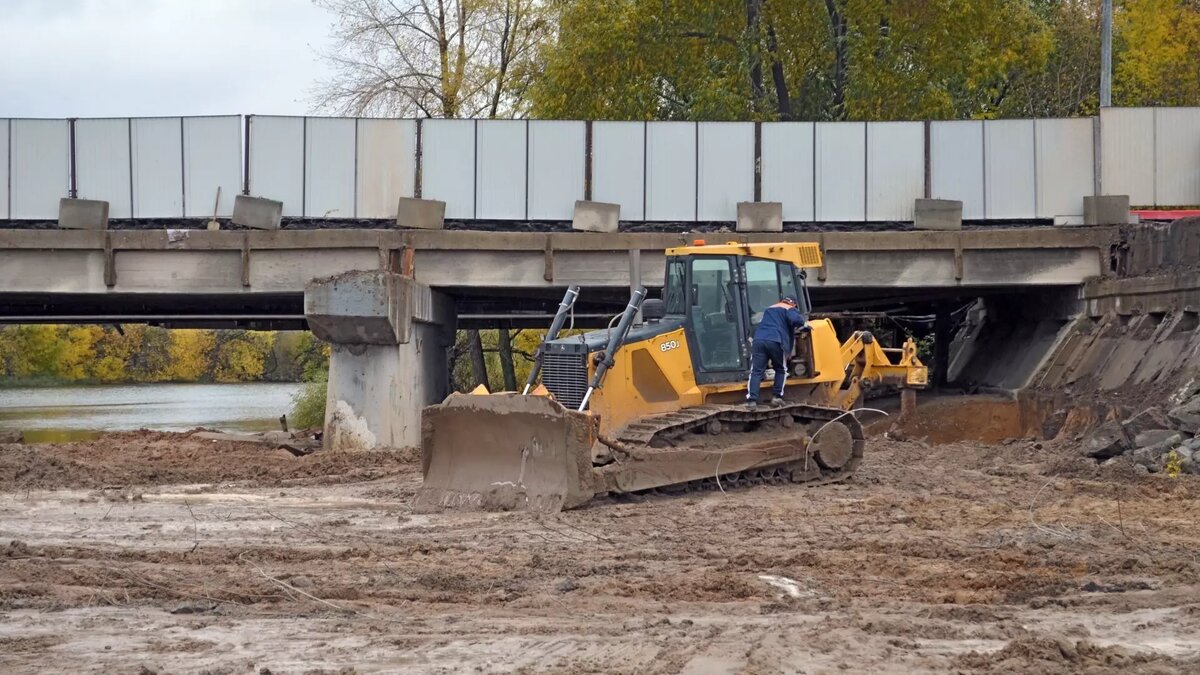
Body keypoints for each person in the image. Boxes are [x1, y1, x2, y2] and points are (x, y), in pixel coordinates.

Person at [746, 296, 807, 409]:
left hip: (759, 340)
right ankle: (776, 397)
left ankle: (752, 401)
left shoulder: (770, 309)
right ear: (793, 304)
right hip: (775, 340)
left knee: (756, 371)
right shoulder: (789, 308)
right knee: (780, 369)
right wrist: (804, 324)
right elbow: (795, 320)